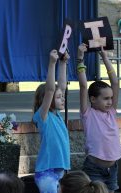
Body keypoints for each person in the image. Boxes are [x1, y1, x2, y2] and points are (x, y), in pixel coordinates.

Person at [77, 44, 121, 193]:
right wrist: (80, 59)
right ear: (93, 99)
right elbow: (83, 85)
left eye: (111, 98)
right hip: (94, 168)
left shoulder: (111, 112)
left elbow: (115, 82)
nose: (110, 101)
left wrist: (105, 57)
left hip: (113, 169)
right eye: (105, 99)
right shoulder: (88, 114)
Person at [32, 49, 70, 193]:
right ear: (45, 100)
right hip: (46, 172)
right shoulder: (43, 116)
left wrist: (63, 63)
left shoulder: (56, 115)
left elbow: (62, 86)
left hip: (58, 171)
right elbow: (50, 90)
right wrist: (52, 63)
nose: (63, 98)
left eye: (62, 96)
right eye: (59, 97)